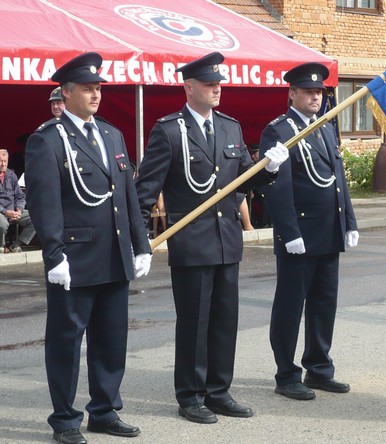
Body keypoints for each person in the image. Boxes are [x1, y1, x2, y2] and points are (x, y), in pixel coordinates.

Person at [135, 51, 288, 424]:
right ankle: (190, 395)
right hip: (191, 242)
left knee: (224, 321)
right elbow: (145, 189)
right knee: (194, 323)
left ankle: (219, 391)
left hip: (226, 242)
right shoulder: (170, 130)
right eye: (208, 84)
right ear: (189, 87)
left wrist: (269, 167)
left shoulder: (230, 127)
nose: (217, 89)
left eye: (219, 83)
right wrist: (140, 243)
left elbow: (243, 177)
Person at [25, 52, 152, 444]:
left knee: (112, 338)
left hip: (114, 255)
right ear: (66, 93)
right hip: (75, 258)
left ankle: (104, 410)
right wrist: (54, 254)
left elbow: (127, 194)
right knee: (66, 342)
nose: (95, 95)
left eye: (98, 88)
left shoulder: (111, 134)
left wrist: (140, 243)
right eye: (87, 88)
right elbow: (44, 203)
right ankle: (64, 419)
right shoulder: (47, 139)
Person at [259, 63, 359, 401]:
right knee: (290, 306)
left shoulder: (326, 127)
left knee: (323, 304)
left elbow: (338, 179)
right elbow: (277, 186)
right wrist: (289, 232)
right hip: (300, 234)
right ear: (293, 94)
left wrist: (349, 221)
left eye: (319, 92)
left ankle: (319, 368)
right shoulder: (280, 130)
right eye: (308, 91)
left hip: (328, 231)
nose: (315, 96)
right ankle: (286, 374)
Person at [0, 149, 36, 253]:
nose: (3, 164)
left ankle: (16, 245)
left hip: (13, 211)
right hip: (2, 212)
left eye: (5, 161)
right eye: (0, 161)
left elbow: (20, 196)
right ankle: (1, 247)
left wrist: (19, 209)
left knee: (36, 219)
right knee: (2, 223)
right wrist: (5, 212)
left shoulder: (11, 175)